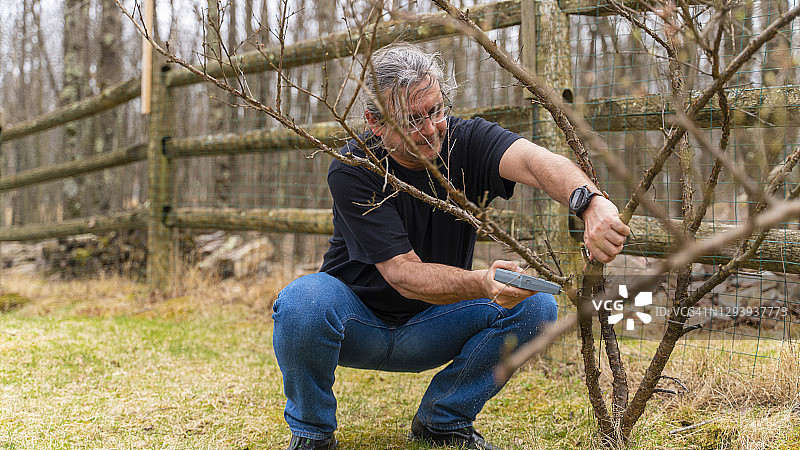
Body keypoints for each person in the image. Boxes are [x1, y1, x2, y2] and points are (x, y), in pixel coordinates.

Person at [272, 43, 630, 450]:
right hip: (357, 324)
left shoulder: (465, 140)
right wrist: (483, 282)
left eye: (436, 110)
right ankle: (313, 434)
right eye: (412, 119)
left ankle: (442, 421)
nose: (431, 128)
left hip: (435, 325)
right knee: (301, 303)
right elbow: (403, 273)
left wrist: (590, 202)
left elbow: (535, 160)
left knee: (538, 306)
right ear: (375, 122)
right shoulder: (354, 167)